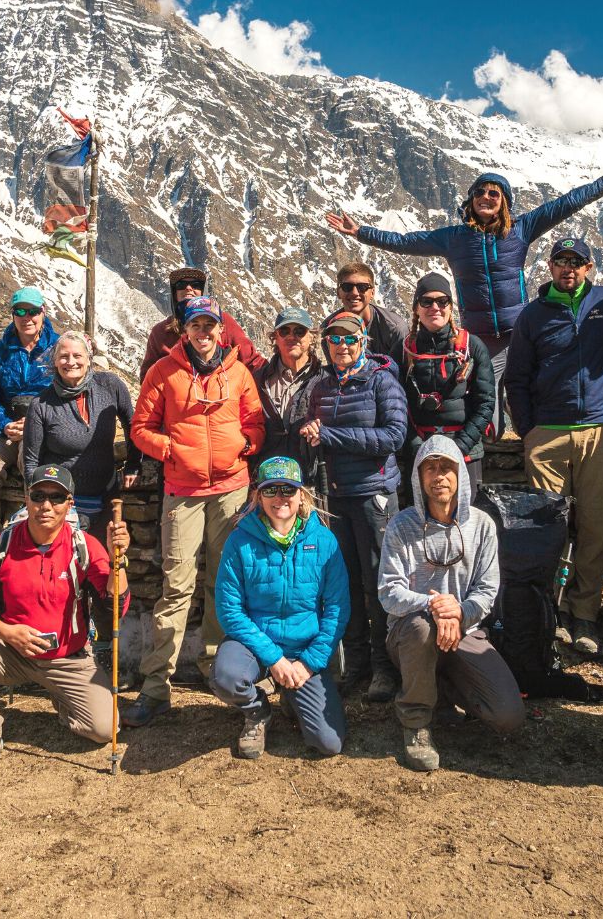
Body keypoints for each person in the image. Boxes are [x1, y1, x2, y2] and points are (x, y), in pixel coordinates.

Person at [325, 154, 603, 424]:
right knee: (485, 397)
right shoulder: (454, 238)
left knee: (534, 388)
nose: (486, 198)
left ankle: (535, 439)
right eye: (480, 193)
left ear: (504, 202)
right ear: (471, 200)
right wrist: (362, 233)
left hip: (522, 330)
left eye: (494, 194)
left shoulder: (521, 230)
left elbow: (565, 205)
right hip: (481, 337)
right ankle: (492, 454)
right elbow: (405, 242)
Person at [123, 296, 266, 726]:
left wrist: (245, 446)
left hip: (231, 489)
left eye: (210, 325)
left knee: (225, 582)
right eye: (196, 326)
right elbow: (140, 428)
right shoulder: (162, 373)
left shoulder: (238, 373)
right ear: (184, 331)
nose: (204, 333)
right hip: (182, 489)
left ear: (221, 330)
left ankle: (216, 670)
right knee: (177, 585)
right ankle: (156, 687)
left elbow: (256, 423)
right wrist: (169, 450)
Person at [0, 465, 130, 775]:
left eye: (57, 498)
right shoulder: (1, 545)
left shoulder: (82, 545)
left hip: (68, 657)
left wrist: (118, 560)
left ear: (70, 504)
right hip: (11, 651)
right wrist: (6, 631)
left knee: (105, 729)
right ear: (26, 499)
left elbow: (116, 606)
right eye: (39, 496)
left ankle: (63, 697)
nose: (47, 505)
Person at [507, 237, 603, 656]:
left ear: (590, 265)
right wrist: (529, 430)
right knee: (548, 528)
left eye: (576, 262)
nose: (569, 269)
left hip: (597, 431)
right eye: (561, 261)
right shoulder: (533, 316)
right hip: (548, 433)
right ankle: (551, 614)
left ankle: (585, 617)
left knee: (595, 526)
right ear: (550, 266)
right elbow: (517, 377)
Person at [380, 435, 524, 772]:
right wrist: (436, 606)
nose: (439, 475)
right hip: (410, 634)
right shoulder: (401, 526)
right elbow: (389, 592)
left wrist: (458, 611)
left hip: (465, 630)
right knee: (420, 627)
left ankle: (443, 689)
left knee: (508, 717)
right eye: (430, 468)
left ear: (460, 474)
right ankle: (415, 721)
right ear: (419, 477)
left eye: (447, 467)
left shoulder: (482, 526)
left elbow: (487, 590)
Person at [209, 457, 349, 759]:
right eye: (271, 491)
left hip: (304, 649)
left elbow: (337, 609)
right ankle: (258, 712)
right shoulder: (239, 541)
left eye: (288, 489)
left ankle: (292, 695)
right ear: (258, 496)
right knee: (227, 678)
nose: (280, 498)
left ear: (302, 495)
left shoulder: (324, 541)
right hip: (256, 643)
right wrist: (274, 658)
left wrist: (309, 663)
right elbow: (229, 610)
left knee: (329, 743)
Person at [303, 311, 408, 702]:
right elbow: (318, 434)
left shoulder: (382, 381)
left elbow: (393, 436)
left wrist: (329, 434)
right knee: (345, 582)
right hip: (336, 495)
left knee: (378, 581)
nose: (342, 346)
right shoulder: (323, 387)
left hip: (374, 494)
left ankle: (384, 667)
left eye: (349, 339)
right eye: (334, 340)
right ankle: (358, 664)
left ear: (363, 341)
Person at [21, 330, 139, 542]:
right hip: (61, 504)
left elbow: (133, 423)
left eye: (77, 356)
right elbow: (31, 462)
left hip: (105, 495)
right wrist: (39, 503)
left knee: (104, 564)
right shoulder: (41, 405)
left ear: (88, 359)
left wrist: (133, 465)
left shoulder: (110, 386)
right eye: (64, 356)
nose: (71, 362)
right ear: (55, 361)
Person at [0, 287, 58, 541]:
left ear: (43, 312)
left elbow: (66, 393)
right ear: (12, 314)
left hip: (41, 423)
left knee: (34, 468)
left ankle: (36, 538)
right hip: (3, 423)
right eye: (20, 311)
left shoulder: (57, 347)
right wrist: (4, 424)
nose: (26, 317)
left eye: (32, 311)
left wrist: (34, 423)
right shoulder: (0, 350)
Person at [401, 272, 495, 492]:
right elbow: (397, 406)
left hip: (465, 450)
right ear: (416, 308)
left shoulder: (472, 346)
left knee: (465, 517)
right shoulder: (404, 350)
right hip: (421, 448)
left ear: (450, 307)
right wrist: (416, 447)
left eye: (442, 301)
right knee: (423, 520)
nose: (435, 307)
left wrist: (459, 447)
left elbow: (486, 402)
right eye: (427, 301)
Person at [138, 266, 266, 380]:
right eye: (181, 285)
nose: (189, 288)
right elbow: (148, 379)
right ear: (174, 293)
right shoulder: (161, 332)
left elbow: (252, 362)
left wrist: (278, 370)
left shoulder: (224, 321)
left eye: (195, 285)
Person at [252, 305, 325, 482]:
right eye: (284, 331)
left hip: (309, 477)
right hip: (266, 477)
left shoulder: (326, 379)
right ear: (275, 337)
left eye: (299, 331)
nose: (292, 337)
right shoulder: (257, 380)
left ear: (311, 337)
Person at [329, 260, 409, 374]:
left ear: (372, 292)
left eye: (362, 287)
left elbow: (401, 373)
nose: (355, 293)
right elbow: (333, 372)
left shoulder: (395, 329)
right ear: (338, 292)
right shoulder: (329, 329)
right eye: (347, 287)